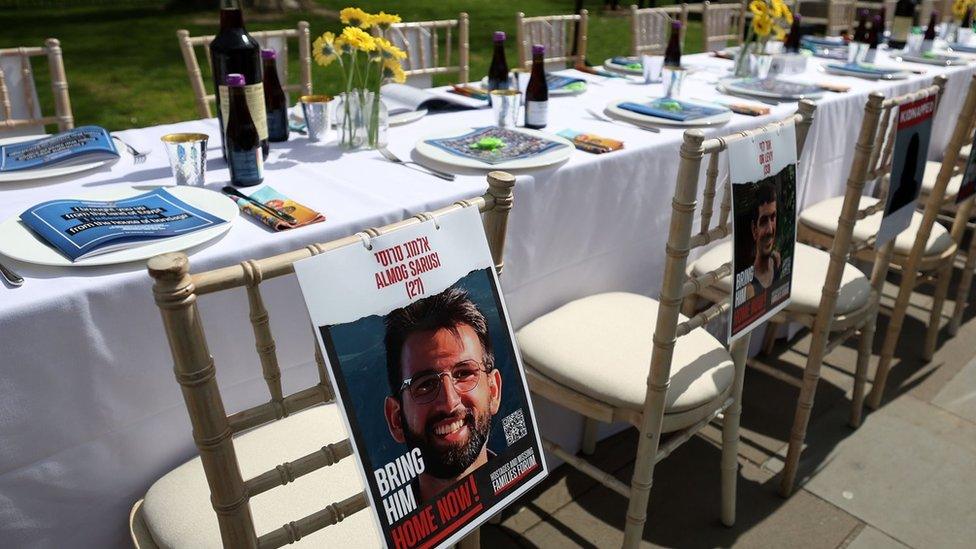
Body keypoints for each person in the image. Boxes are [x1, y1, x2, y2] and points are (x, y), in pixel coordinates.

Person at [383, 287, 502, 501]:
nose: (449, 403)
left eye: (464, 373)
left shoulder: (522, 492)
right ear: (396, 419)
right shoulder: (378, 531)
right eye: (425, 385)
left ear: (493, 391)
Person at [745, 181, 781, 300]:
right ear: (754, 229)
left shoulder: (776, 262)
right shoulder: (750, 288)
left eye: (773, 217)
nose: (770, 230)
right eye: (764, 221)